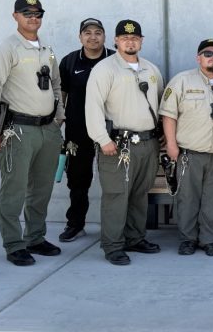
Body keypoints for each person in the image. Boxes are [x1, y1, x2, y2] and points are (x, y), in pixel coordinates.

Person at [0, 0, 65, 266]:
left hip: (47, 129)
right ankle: (13, 244)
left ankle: (35, 238)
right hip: (17, 130)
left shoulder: (47, 50)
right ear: (15, 16)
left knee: (41, 189)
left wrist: (59, 117)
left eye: (37, 14)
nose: (33, 18)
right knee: (14, 190)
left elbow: (56, 84)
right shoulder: (7, 49)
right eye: (26, 13)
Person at [84, 19, 165, 265]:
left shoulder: (151, 69)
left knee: (139, 194)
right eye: (125, 38)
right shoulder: (105, 69)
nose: (130, 42)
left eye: (135, 38)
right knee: (116, 195)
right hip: (118, 145)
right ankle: (113, 245)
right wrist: (102, 139)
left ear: (141, 41)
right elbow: (93, 106)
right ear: (116, 41)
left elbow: (161, 102)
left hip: (148, 143)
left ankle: (135, 238)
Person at [159, 39, 213, 257]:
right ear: (198, 57)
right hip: (189, 153)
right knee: (187, 199)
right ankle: (188, 239)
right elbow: (169, 115)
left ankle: (210, 240)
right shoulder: (182, 81)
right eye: (207, 54)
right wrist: (171, 145)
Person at [57, 18, 114, 242]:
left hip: (110, 130)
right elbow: (61, 95)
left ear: (105, 36)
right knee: (78, 180)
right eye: (87, 33)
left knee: (115, 179)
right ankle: (75, 224)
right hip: (78, 130)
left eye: (98, 32)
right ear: (80, 37)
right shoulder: (69, 61)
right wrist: (58, 122)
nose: (93, 37)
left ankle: (116, 227)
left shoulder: (114, 59)